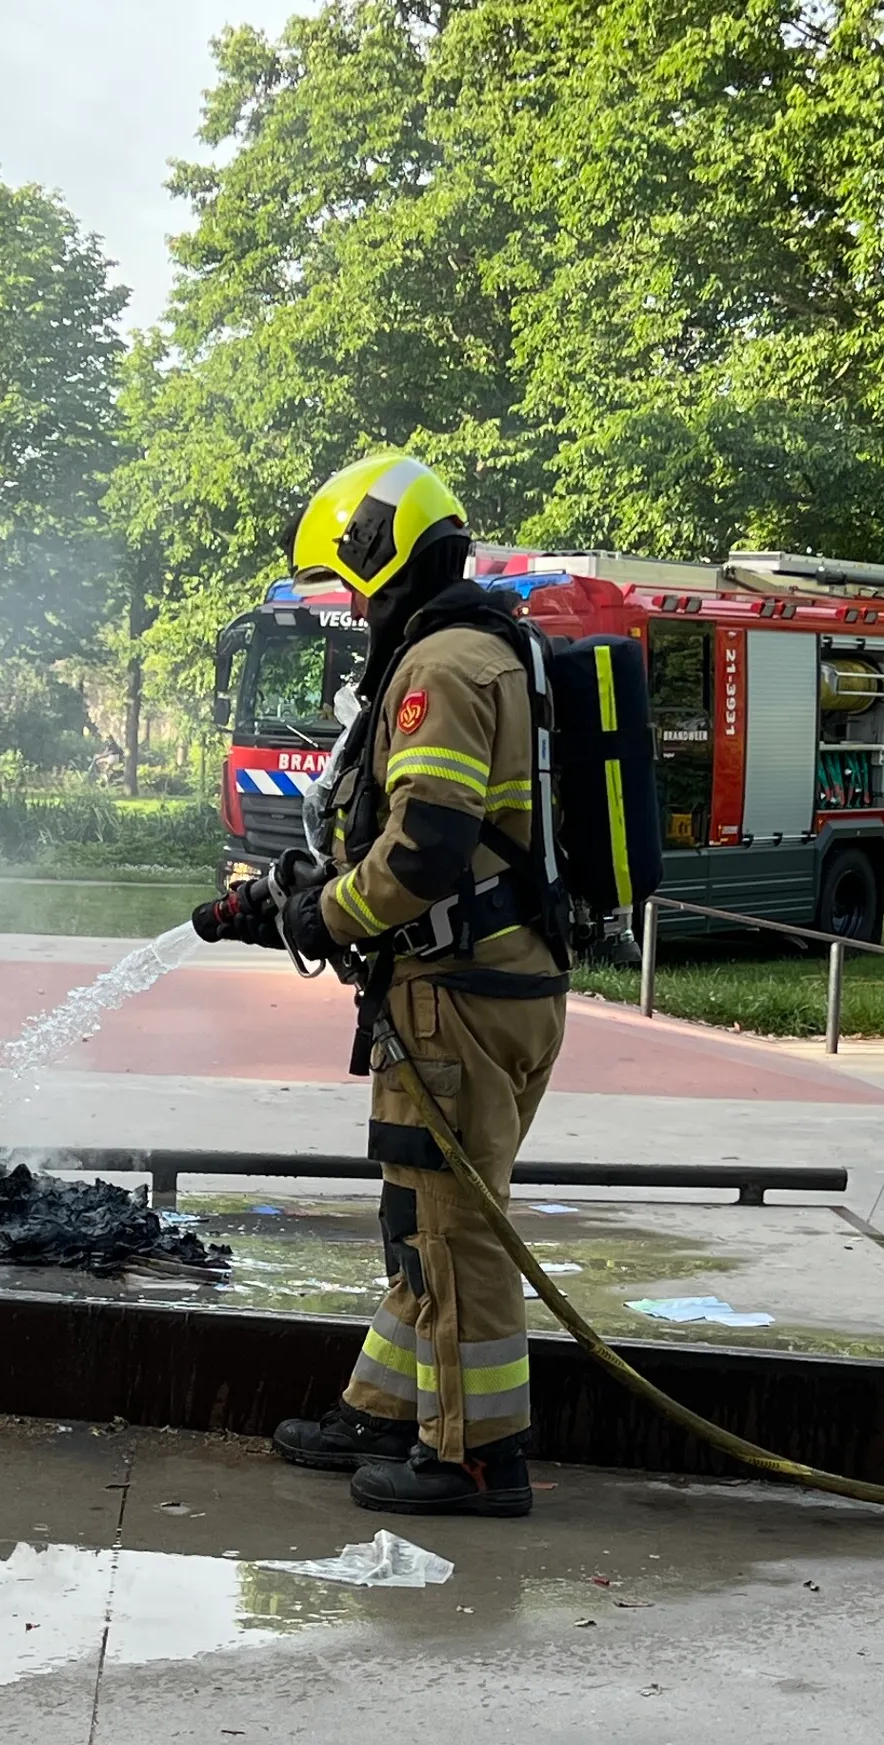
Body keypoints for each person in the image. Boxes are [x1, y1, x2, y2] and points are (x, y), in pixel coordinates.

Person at [249, 451, 564, 1517]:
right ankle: (385, 1411)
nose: (351, 610)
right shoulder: (488, 649)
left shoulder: (444, 667)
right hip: (485, 983)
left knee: (456, 1233)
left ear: (379, 557)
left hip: (458, 998)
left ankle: (478, 1457)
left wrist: (324, 915)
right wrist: (299, 896)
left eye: (350, 586)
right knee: (423, 1219)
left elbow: (425, 848)